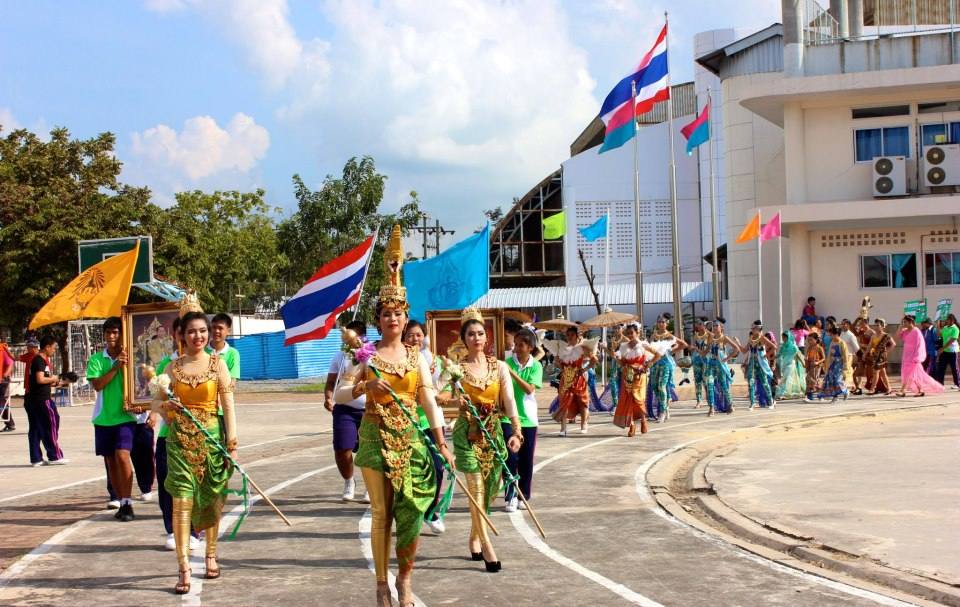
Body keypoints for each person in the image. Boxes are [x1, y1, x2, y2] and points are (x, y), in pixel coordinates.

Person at [333, 229, 453, 607]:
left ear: (405, 318)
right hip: (372, 437)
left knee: (413, 509)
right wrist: (366, 389)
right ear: (379, 318)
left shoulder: (416, 358)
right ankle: (382, 584)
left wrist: (441, 441)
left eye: (398, 314)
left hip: (410, 438)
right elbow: (339, 393)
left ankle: (405, 578)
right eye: (386, 314)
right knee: (381, 511)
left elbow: (429, 400)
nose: (392, 319)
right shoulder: (364, 355)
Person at [152, 304, 238, 595]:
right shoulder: (171, 369)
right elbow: (156, 405)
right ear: (182, 335)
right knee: (182, 503)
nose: (198, 336)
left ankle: (211, 554)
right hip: (179, 443)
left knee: (211, 499)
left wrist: (232, 443)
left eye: (203, 330)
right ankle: (183, 566)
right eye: (192, 331)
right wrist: (168, 407)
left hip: (212, 440)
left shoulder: (218, 364)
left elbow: (228, 405)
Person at [437, 309, 521, 574]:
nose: (476, 337)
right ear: (463, 338)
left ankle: (474, 536)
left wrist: (516, 433)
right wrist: (453, 400)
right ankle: (487, 546)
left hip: (493, 434)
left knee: (489, 492)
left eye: (480, 333)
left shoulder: (500, 367)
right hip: (467, 434)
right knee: (475, 490)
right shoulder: (454, 369)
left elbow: (509, 402)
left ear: (487, 337)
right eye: (471, 334)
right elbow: (434, 395)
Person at [87, 317, 139, 521]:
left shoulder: (133, 357)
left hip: (126, 416)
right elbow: (98, 384)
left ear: (122, 334)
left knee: (122, 455)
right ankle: (120, 500)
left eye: (115, 332)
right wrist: (116, 366)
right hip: (103, 417)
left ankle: (127, 501)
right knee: (111, 461)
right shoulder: (97, 359)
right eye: (108, 332)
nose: (111, 336)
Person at [402, 319, 446, 534]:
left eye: (418, 334)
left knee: (437, 467)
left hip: (431, 421)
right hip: (406, 423)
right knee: (411, 471)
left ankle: (430, 511)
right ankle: (411, 512)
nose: (415, 339)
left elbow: (445, 390)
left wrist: (439, 396)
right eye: (410, 335)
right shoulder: (398, 360)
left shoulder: (436, 361)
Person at [325, 319, 369, 502]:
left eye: (355, 335)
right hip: (345, 409)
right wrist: (328, 397)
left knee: (370, 450)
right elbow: (330, 383)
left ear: (362, 336)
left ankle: (370, 486)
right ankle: (349, 481)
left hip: (369, 409)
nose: (350, 339)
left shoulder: (371, 354)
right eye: (347, 336)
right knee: (343, 448)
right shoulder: (340, 356)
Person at [502, 328, 543, 512]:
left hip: (528, 419)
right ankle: (510, 494)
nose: (516, 348)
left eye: (521, 345)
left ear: (530, 347)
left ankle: (523, 495)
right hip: (508, 418)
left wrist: (513, 373)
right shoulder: (506, 363)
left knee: (526, 460)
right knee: (510, 458)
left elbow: (529, 389)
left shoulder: (535, 366)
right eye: (515, 344)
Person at [544, 325, 597, 436]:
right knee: (564, 402)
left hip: (579, 379)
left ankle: (584, 424)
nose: (569, 337)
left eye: (572, 334)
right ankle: (563, 428)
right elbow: (560, 366)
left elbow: (594, 359)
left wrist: (584, 369)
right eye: (567, 335)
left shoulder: (582, 348)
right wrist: (557, 362)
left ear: (577, 336)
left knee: (582, 402)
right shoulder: (562, 349)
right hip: (565, 379)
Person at [24, 336, 68, 466]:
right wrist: (56, 377)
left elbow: (42, 382)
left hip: (33, 399)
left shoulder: (41, 360)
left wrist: (61, 382)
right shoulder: (39, 360)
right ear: (47, 347)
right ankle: (54, 455)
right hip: (41, 400)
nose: (54, 350)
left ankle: (36, 458)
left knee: (36, 428)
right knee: (52, 423)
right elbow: (40, 379)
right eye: (54, 348)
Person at [612, 322, 659, 435]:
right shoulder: (623, 347)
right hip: (627, 376)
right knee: (629, 400)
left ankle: (643, 420)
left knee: (638, 399)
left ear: (637, 332)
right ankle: (632, 425)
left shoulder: (643, 345)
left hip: (639, 376)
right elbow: (622, 363)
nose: (630, 335)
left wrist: (648, 365)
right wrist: (613, 356)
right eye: (627, 333)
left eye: (632, 332)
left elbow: (658, 354)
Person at [647, 315, 688, 423]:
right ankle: (666, 407)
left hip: (666, 364)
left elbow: (684, 344)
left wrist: (671, 350)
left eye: (663, 322)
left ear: (666, 323)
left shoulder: (669, 336)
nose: (661, 324)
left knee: (662, 386)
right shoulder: (653, 336)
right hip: (655, 363)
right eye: (659, 322)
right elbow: (651, 349)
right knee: (655, 387)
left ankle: (663, 412)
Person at [897, 315, 945, 397]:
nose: (904, 323)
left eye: (905, 322)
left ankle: (903, 390)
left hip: (914, 357)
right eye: (903, 322)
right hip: (906, 356)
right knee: (915, 374)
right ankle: (920, 390)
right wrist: (900, 326)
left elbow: (920, 345)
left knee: (909, 374)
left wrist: (918, 357)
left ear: (910, 322)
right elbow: (898, 335)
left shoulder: (916, 331)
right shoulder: (905, 331)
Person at [703, 320, 738, 415]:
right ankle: (711, 408)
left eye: (716, 326)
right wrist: (699, 352)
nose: (714, 327)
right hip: (711, 364)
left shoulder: (724, 338)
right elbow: (706, 351)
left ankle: (730, 405)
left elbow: (736, 349)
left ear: (721, 327)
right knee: (709, 385)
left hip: (720, 365)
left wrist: (727, 358)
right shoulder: (711, 338)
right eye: (713, 326)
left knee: (723, 385)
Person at [739, 321, 776, 410]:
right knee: (751, 382)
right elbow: (744, 351)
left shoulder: (762, 338)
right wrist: (738, 343)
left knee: (764, 382)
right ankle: (752, 403)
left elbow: (774, 347)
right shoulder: (751, 338)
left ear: (758, 329)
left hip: (760, 364)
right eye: (752, 328)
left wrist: (766, 355)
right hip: (752, 363)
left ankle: (771, 401)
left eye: (754, 328)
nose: (752, 330)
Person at [820, 326, 849, 403]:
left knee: (838, 380)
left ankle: (845, 391)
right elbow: (829, 354)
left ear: (837, 334)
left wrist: (845, 366)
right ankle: (835, 396)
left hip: (839, 364)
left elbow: (845, 355)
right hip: (832, 364)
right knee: (831, 380)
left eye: (833, 334)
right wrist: (827, 363)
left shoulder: (842, 343)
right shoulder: (832, 342)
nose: (831, 336)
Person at [867, 318, 895, 395]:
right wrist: (865, 353)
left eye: (878, 325)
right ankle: (889, 388)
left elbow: (893, 344)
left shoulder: (886, 336)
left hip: (881, 357)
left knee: (876, 372)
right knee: (883, 373)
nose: (876, 327)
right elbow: (870, 345)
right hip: (875, 356)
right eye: (875, 325)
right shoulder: (873, 336)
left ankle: (872, 389)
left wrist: (886, 352)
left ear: (882, 326)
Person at [775, 331, 806, 399]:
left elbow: (798, 355)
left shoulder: (793, 346)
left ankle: (784, 393)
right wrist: (772, 357)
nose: (783, 339)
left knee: (787, 378)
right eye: (783, 337)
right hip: (784, 364)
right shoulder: (783, 346)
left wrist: (803, 363)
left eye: (785, 337)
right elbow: (779, 354)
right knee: (786, 378)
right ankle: (788, 392)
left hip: (791, 364)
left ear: (788, 337)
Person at [935, 313, 959, 389]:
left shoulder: (955, 328)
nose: (946, 321)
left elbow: (952, 340)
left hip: (953, 352)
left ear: (952, 320)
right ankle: (940, 384)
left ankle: (958, 384)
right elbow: (939, 335)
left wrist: (942, 348)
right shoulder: (945, 327)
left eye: (947, 320)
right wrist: (938, 325)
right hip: (945, 351)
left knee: (955, 368)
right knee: (941, 368)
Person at [690, 318, 710, 407]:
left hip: (706, 359)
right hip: (696, 359)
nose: (697, 325)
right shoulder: (695, 335)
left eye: (699, 324)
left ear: (704, 325)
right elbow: (693, 346)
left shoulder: (710, 335)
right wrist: (691, 348)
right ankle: (699, 400)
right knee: (697, 380)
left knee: (706, 380)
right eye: (697, 324)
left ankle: (710, 398)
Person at [852, 318, 875, 395]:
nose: (860, 325)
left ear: (866, 323)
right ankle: (859, 388)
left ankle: (872, 388)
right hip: (861, 354)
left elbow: (874, 345)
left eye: (861, 323)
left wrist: (863, 345)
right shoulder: (861, 331)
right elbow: (852, 327)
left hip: (869, 354)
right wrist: (857, 318)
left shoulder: (872, 332)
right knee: (858, 372)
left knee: (870, 373)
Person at [804, 334, 825, 402]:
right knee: (808, 379)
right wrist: (806, 364)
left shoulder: (819, 348)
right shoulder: (809, 348)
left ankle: (820, 393)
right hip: (810, 366)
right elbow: (807, 357)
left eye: (811, 340)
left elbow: (824, 358)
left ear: (816, 340)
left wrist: (817, 362)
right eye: (808, 340)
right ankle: (810, 396)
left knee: (814, 380)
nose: (809, 341)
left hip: (816, 367)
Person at [0, 335, 15, 432]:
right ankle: (10, 424)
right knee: (2, 401)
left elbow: (10, 364)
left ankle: (10, 423)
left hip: (2, 381)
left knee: (2, 401)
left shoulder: (3, 350)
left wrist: (4, 376)